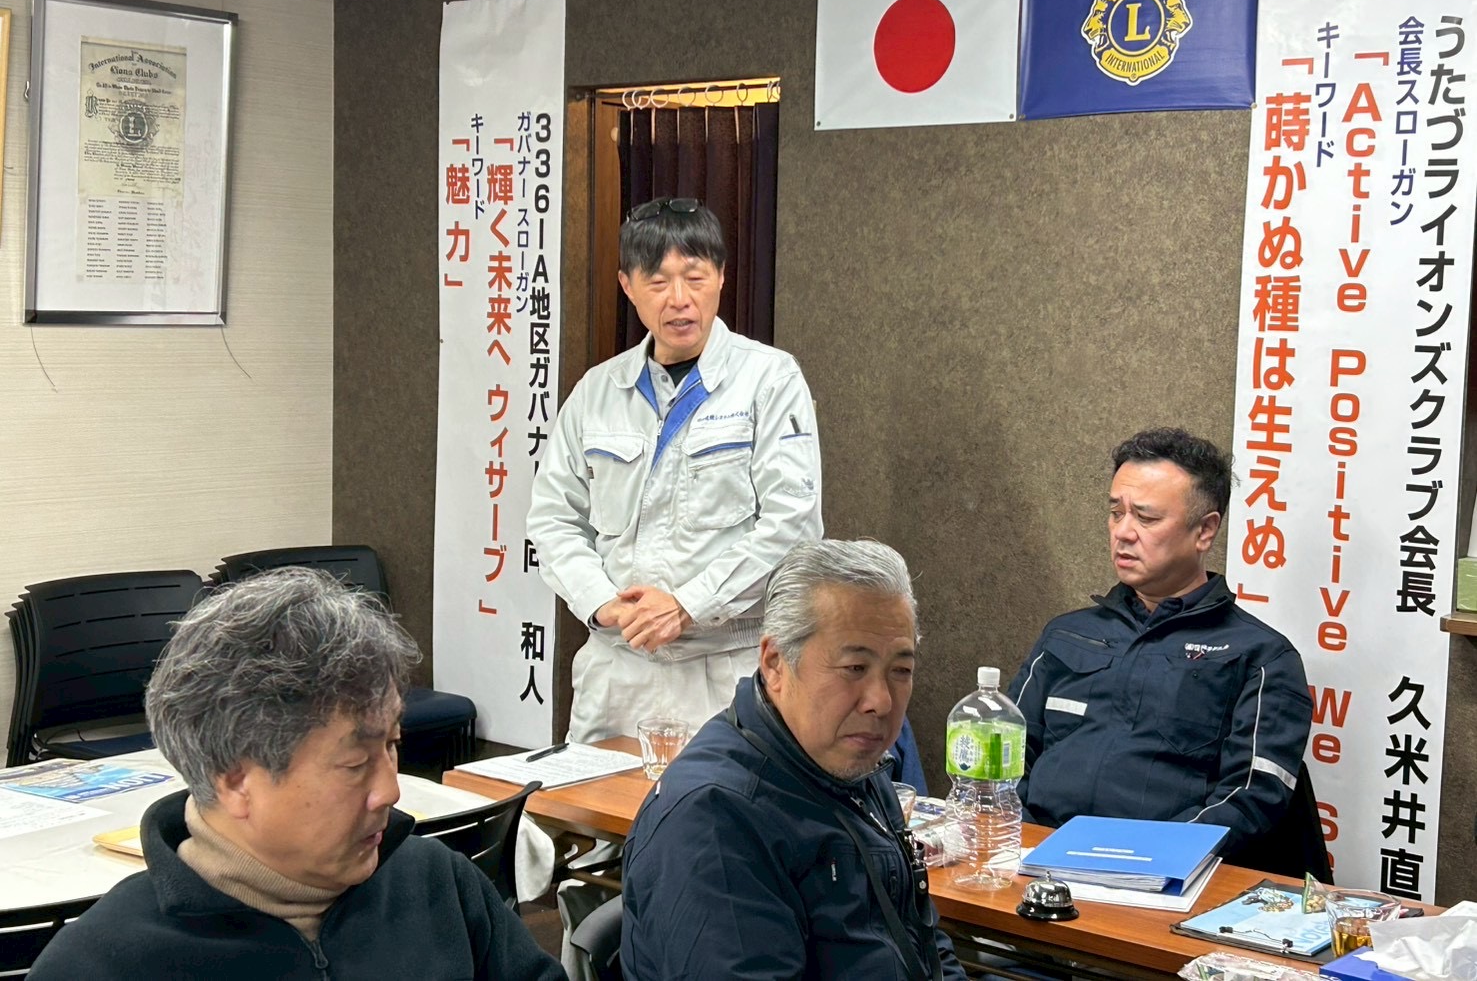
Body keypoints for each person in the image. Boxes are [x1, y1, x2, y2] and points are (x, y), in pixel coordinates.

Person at [29, 568, 565, 981]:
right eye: (355, 764)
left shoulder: (438, 883)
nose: (390, 791)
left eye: (392, 745)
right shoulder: (102, 963)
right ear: (235, 780)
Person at [528, 196, 822, 742]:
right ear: (627, 285)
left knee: (721, 799)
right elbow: (552, 517)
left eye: (695, 277)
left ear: (721, 277)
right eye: (658, 281)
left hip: (726, 667)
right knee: (594, 799)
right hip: (617, 668)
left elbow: (794, 525)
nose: (679, 299)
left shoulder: (770, 379)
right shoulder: (597, 390)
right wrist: (601, 602)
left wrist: (688, 605)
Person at [621, 539, 967, 980]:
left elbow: (923, 944)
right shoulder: (714, 819)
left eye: (900, 670)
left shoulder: (851, 764)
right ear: (775, 663)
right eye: (854, 668)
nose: (881, 701)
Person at [1007, 427, 1313, 857]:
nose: (1123, 532)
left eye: (1146, 518)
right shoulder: (1067, 634)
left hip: (1163, 873)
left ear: (1204, 531)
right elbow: (1004, 752)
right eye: (1116, 512)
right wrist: (1023, 842)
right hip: (1033, 858)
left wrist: (1140, 858)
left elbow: (1252, 797)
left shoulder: (1261, 656)